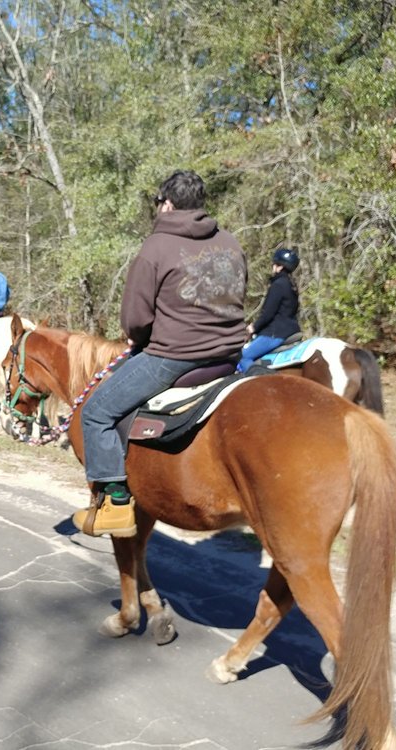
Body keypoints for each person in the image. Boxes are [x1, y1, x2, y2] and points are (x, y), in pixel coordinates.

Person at [74, 170, 248, 537]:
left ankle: (116, 505)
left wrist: (143, 339)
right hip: (230, 356)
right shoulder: (230, 242)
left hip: (175, 357)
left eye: (158, 204)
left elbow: (135, 320)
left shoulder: (156, 246)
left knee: (96, 411)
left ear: (167, 204)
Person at [236, 248, 301, 373]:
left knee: (242, 357)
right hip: (291, 330)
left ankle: (261, 381)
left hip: (275, 333)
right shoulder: (292, 285)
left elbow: (268, 314)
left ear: (279, 266)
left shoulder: (278, 285)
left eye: (274, 264)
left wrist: (253, 327)